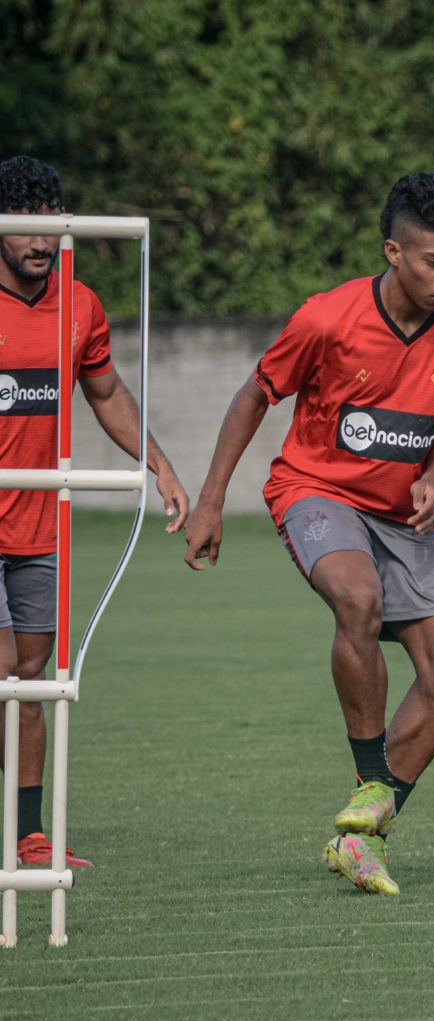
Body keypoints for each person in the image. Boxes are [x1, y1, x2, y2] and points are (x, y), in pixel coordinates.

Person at [183, 172, 434, 895]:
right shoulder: (327, 319)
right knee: (358, 599)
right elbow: (254, 395)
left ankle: (364, 834)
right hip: (315, 491)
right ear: (393, 251)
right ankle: (369, 778)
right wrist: (210, 501)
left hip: (404, 514)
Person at [0, 155, 190, 867]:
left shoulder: (78, 305)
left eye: (52, 222)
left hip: (41, 524)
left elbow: (108, 395)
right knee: (4, 675)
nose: (41, 240)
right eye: (25, 226)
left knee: (32, 679)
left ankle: (29, 835)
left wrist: (161, 467)